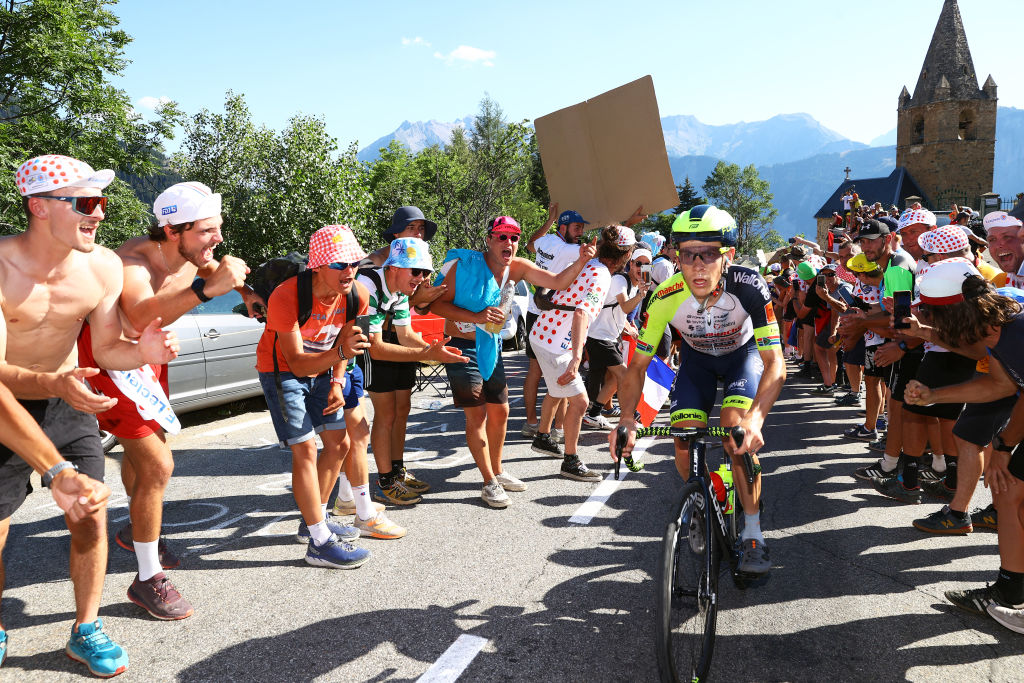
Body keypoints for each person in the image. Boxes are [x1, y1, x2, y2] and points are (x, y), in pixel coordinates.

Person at [1, 154, 179, 677]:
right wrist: (51, 382)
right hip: (8, 401)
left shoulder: (101, 266)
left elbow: (105, 351)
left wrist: (143, 350)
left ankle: (86, 627)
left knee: (90, 514)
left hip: (68, 398)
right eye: (86, 202)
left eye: (101, 202)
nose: (99, 213)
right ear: (39, 207)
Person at [78, 181, 257, 621]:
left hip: (153, 360)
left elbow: (214, 267)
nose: (217, 240)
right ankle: (147, 578)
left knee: (148, 459)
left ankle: (140, 532)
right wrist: (206, 292)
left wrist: (245, 294)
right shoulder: (132, 261)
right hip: (112, 360)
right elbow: (139, 315)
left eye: (218, 229)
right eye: (206, 231)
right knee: (159, 466)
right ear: (172, 230)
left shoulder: (193, 251)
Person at [610, 205, 786, 576]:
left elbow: (776, 364)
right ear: (675, 255)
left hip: (743, 355)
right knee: (684, 436)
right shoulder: (664, 297)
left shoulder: (750, 286)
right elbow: (638, 365)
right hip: (697, 362)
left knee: (734, 430)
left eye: (708, 253)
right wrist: (627, 417)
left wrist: (756, 419)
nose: (697, 265)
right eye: (687, 254)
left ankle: (753, 532)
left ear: (729, 255)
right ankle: (704, 499)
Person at [430, 216, 596, 507]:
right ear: (489, 239)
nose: (509, 243)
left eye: (515, 238)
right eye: (502, 237)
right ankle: (488, 481)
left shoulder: (517, 268)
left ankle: (497, 470)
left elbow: (556, 282)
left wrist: (582, 260)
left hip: (490, 346)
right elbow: (436, 304)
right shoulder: (465, 266)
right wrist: (477, 317)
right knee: (477, 416)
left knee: (501, 412)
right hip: (461, 346)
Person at [903, 261, 1024, 635]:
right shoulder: (996, 323)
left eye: (932, 314)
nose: (931, 322)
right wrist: (933, 396)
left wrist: (1003, 447)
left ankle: (1010, 593)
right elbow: (1001, 386)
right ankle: (1009, 591)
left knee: (1010, 489)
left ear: (955, 312)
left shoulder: (1014, 331)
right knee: (1010, 494)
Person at [256, 224, 374, 569]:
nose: (349, 271)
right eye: (339, 264)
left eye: (354, 263)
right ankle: (320, 542)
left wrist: (338, 382)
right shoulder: (286, 295)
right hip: (282, 371)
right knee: (306, 447)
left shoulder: (357, 296)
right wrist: (339, 357)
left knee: (339, 444)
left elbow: (348, 346)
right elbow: (295, 361)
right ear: (318, 265)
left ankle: (314, 523)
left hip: (326, 371)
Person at [356, 237, 466, 507]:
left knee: (397, 411)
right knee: (383, 416)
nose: (422, 278)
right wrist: (427, 354)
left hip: (370, 345)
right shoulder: (367, 284)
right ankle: (384, 482)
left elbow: (405, 335)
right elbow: (376, 349)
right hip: (350, 351)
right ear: (393, 267)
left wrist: (435, 350)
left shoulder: (401, 291)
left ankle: (396, 472)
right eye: (415, 271)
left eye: (426, 272)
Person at [530, 225, 637, 481]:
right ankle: (571, 461)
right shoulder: (602, 276)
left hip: (542, 333)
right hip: (555, 341)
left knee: (557, 391)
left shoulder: (590, 264)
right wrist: (577, 358)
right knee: (579, 402)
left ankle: (543, 438)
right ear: (626, 256)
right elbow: (581, 313)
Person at [582, 244, 651, 429]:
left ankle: (593, 414)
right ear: (630, 264)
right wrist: (641, 295)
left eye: (646, 265)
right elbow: (624, 307)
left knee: (612, 379)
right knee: (625, 376)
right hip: (598, 336)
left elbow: (622, 314)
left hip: (609, 337)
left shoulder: (636, 286)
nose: (641, 268)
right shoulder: (620, 280)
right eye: (638, 263)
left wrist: (629, 326)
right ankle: (631, 416)